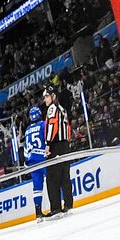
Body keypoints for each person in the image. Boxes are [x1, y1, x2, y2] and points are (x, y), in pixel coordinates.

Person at [43, 86, 75, 215]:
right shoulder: (62, 109)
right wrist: (67, 142)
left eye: (46, 96)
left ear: (53, 96)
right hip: (64, 146)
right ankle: (68, 204)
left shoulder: (52, 108)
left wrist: (48, 144)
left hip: (55, 146)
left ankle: (55, 208)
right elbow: (67, 128)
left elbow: (52, 125)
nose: (45, 99)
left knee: (52, 178)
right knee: (65, 177)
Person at [22, 105, 47, 220]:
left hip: (32, 160)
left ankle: (38, 212)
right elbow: (47, 139)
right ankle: (59, 205)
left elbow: (25, 148)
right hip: (42, 157)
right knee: (53, 181)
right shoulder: (43, 124)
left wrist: (27, 160)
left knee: (37, 187)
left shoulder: (27, 130)